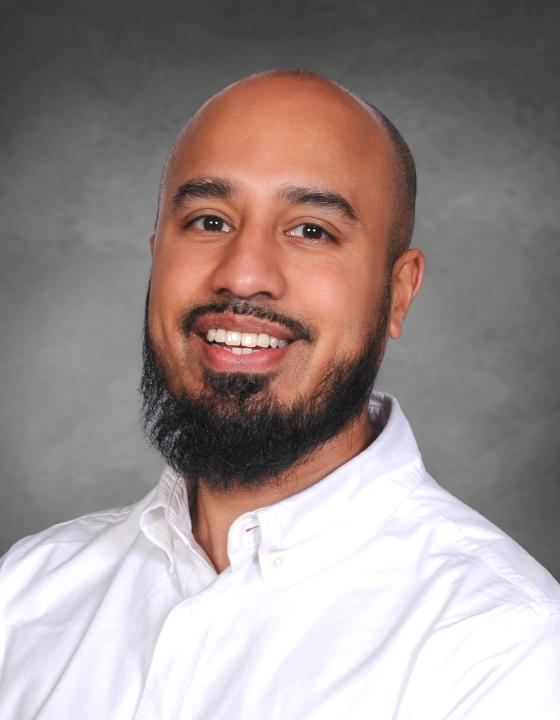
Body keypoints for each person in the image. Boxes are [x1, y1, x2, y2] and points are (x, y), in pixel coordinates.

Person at [0, 70, 559, 719]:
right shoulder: (24, 595)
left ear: (398, 293)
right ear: (157, 257)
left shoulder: (503, 648)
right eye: (209, 220)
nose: (243, 274)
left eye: (311, 230)